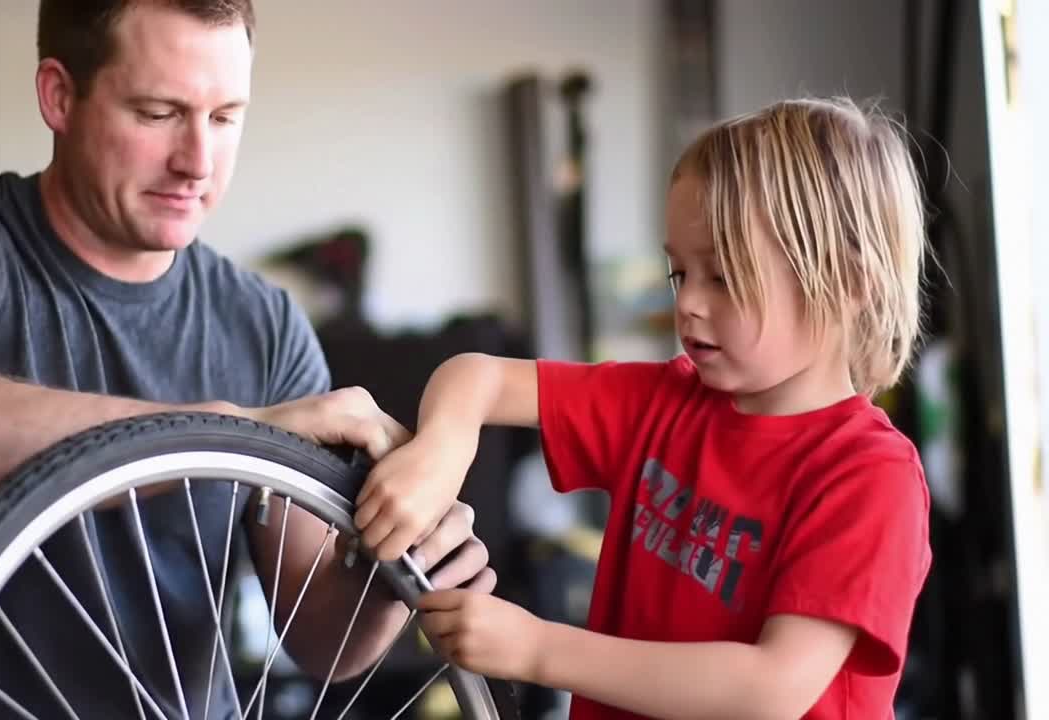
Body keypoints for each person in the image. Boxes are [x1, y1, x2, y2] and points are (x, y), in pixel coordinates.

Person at [0, 1, 495, 718]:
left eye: (225, 116)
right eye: (156, 113)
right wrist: (232, 431)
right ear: (59, 95)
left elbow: (326, 645)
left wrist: (386, 555)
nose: (196, 162)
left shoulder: (264, 323)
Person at [354, 96, 933, 719]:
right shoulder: (667, 402)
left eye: (725, 276)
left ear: (848, 280)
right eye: (679, 274)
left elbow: (769, 690)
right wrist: (444, 449)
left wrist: (538, 649)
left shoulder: (870, 476)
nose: (688, 305)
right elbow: (478, 377)